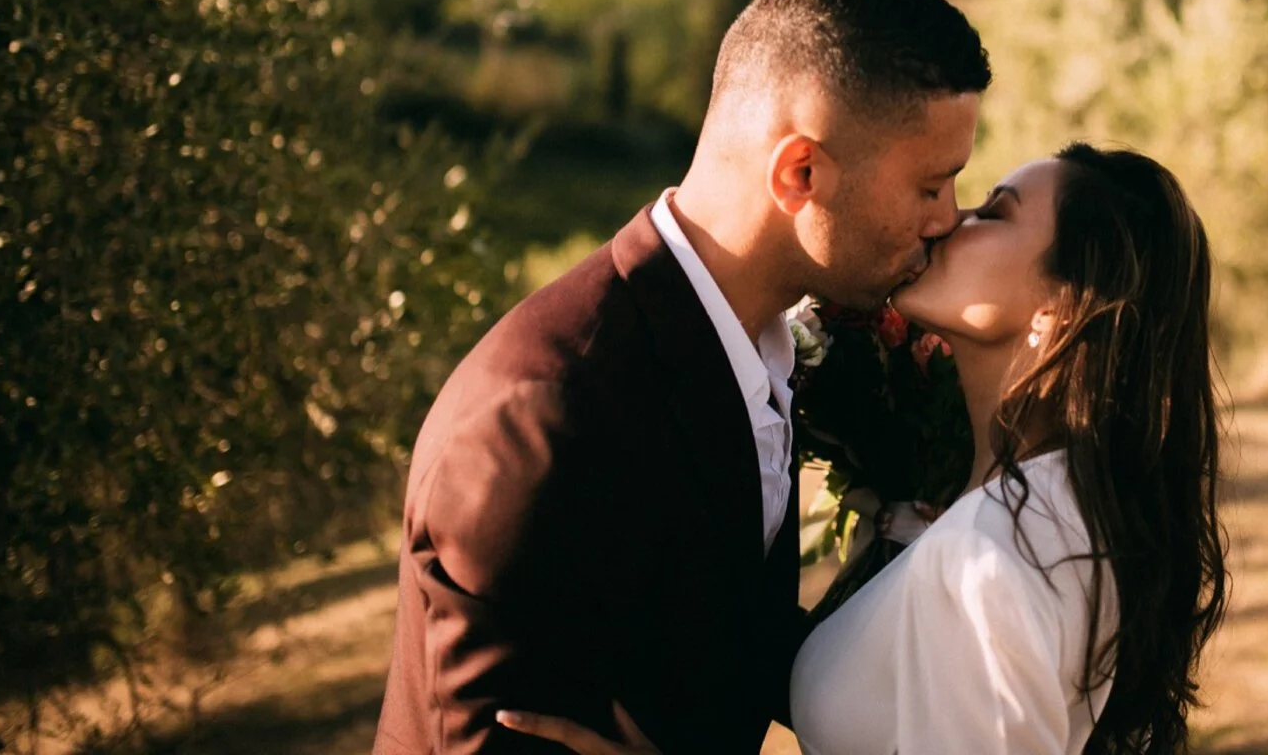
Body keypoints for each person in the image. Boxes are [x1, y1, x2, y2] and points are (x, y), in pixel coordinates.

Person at [373, 0, 991, 755]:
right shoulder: (551, 416)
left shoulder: (761, 351)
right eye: (930, 187)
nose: (948, 218)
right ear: (800, 171)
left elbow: (717, 649)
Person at [502, 143, 1230, 754]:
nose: (949, 220)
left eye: (994, 213)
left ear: (1058, 309)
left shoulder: (993, 563)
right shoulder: (1051, 507)